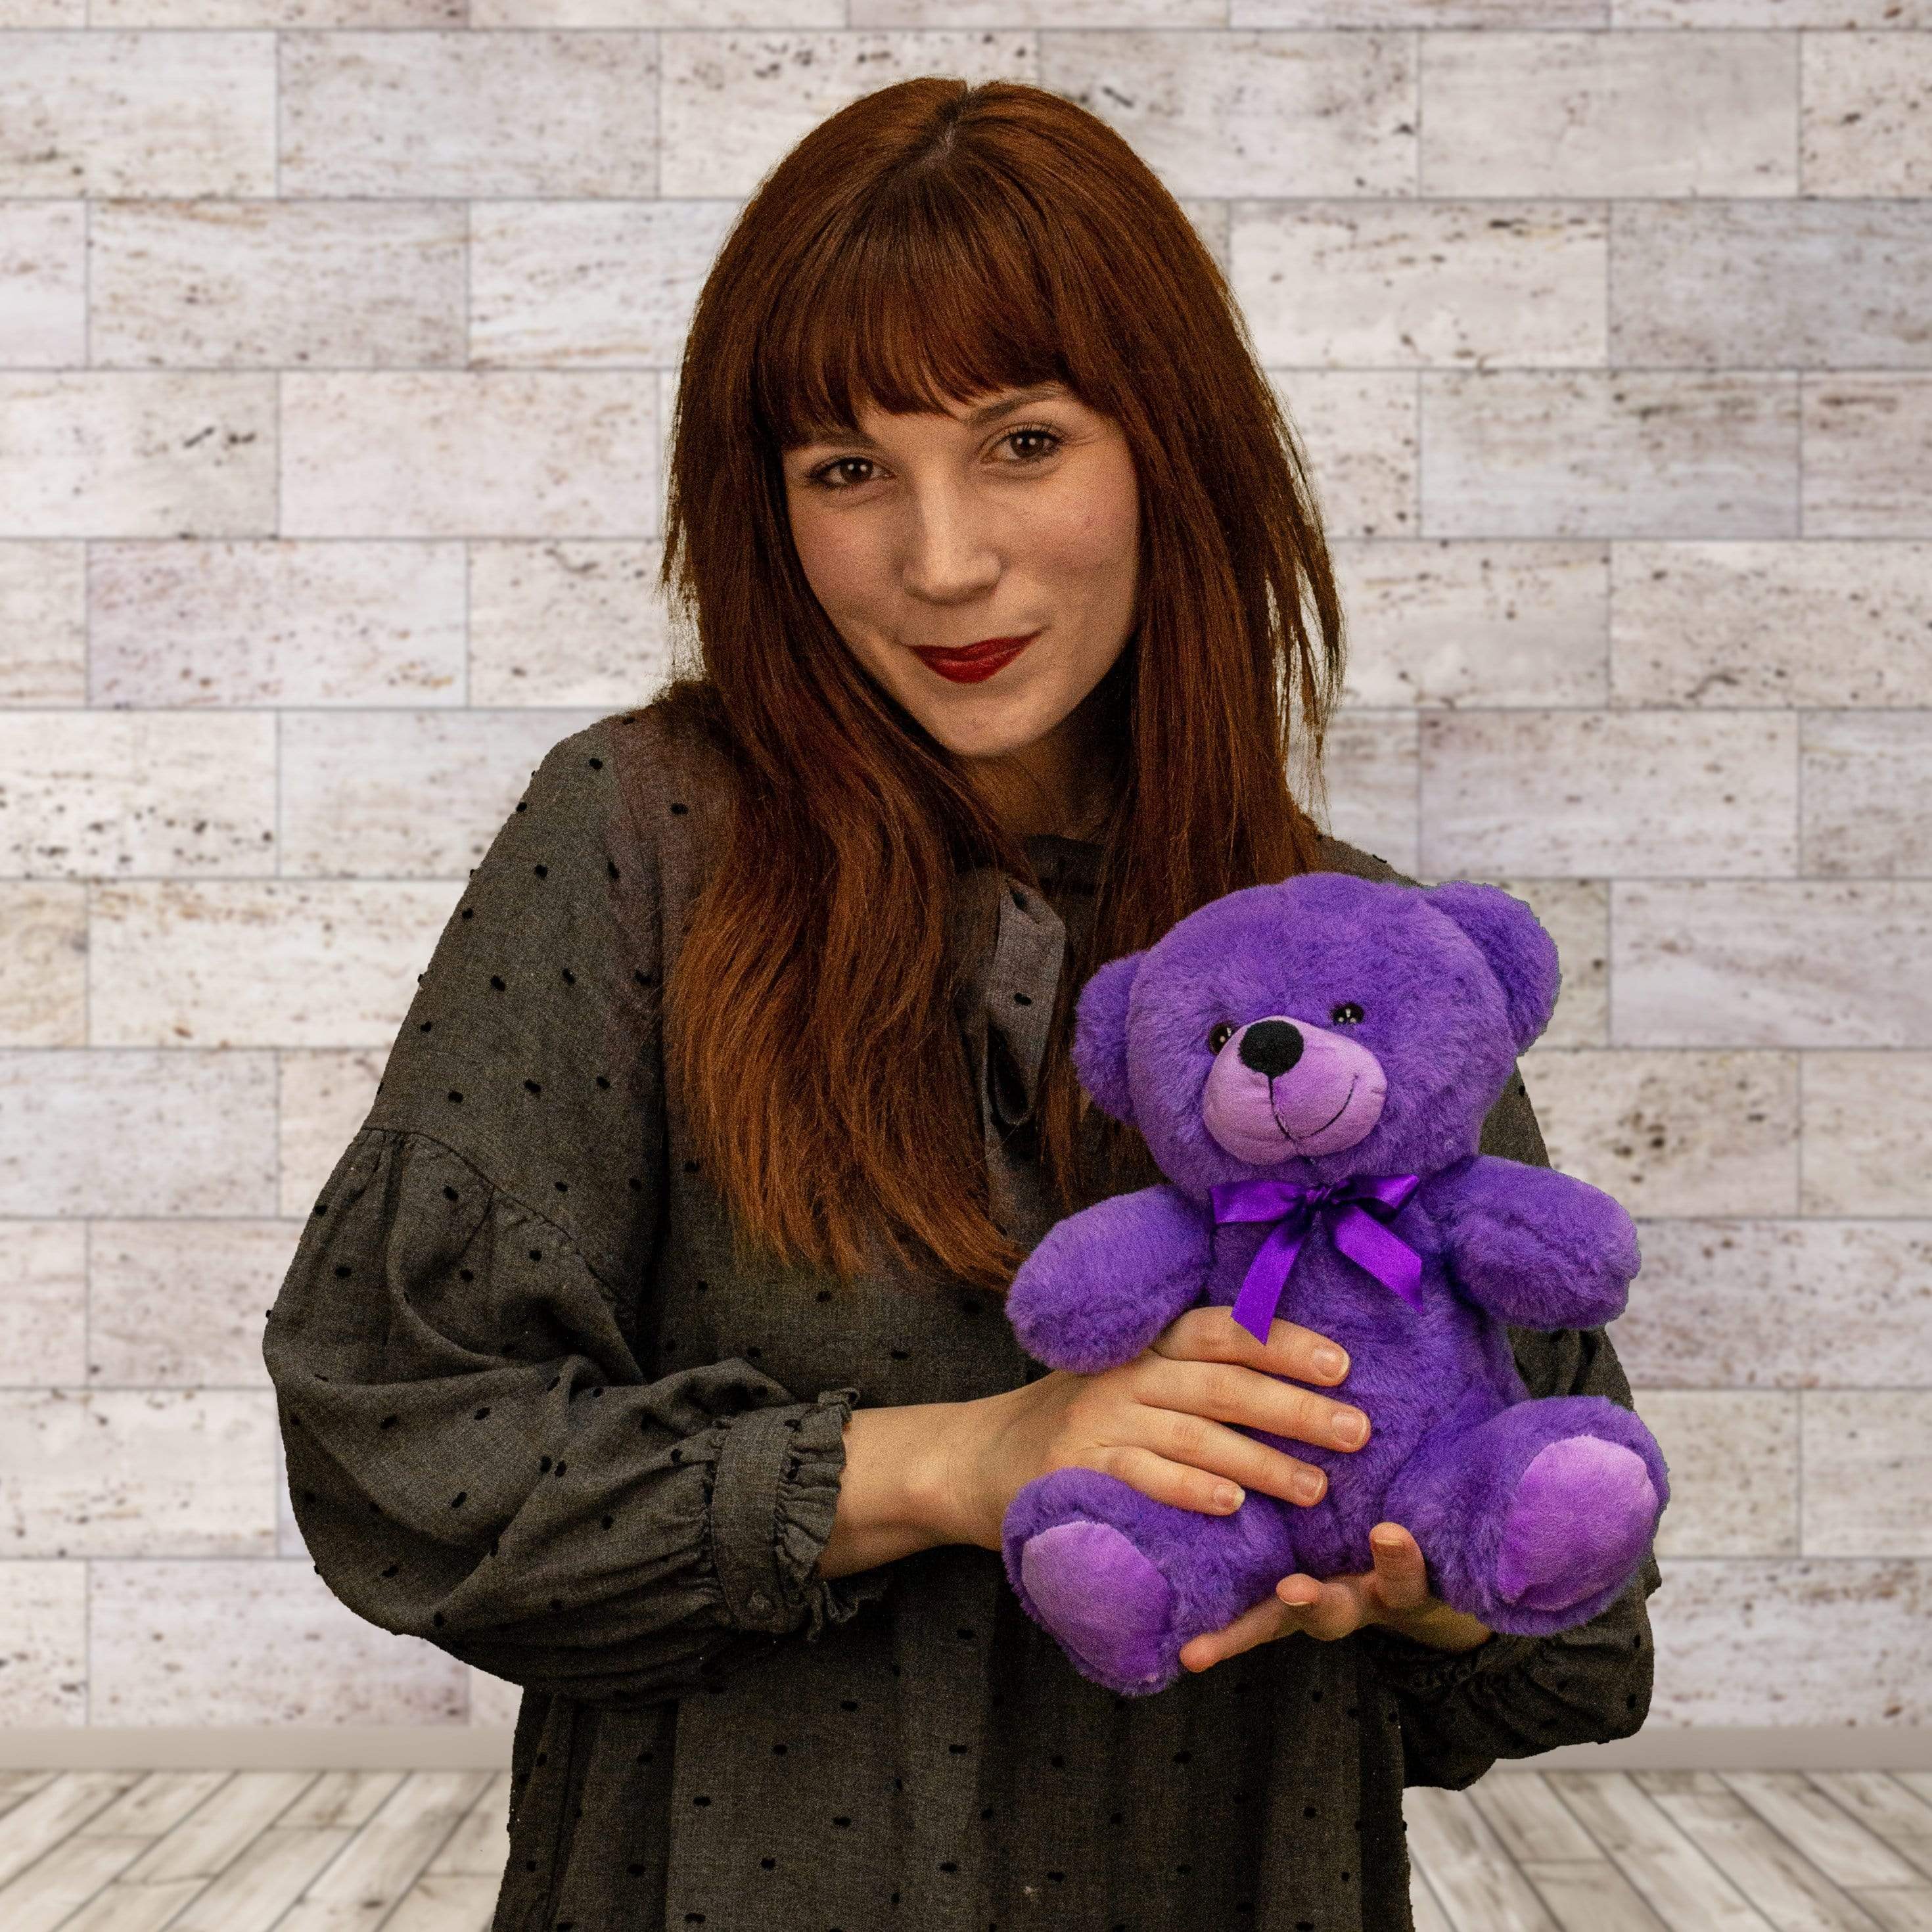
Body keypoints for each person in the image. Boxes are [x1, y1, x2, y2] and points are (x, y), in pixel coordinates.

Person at [262, 76, 1662, 1932]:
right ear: (766, 510)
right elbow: (399, 1445)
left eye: (1020, 441)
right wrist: (959, 1461)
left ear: (1170, 446)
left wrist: (1425, 1582)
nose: (940, 561)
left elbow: (1581, 1647)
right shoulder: (636, 843)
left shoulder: (1362, 956)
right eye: (848, 469)